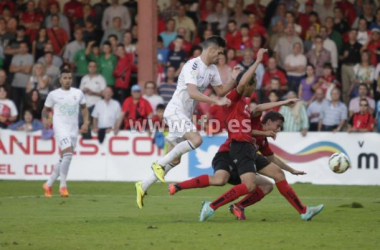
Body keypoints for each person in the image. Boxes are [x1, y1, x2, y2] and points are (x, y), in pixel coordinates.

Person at [135, 36, 239, 209]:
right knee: (197, 140)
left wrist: (233, 80)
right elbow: (192, 92)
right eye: (219, 53)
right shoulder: (192, 65)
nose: (221, 57)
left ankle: (143, 185)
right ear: (211, 50)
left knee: (175, 161)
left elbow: (220, 91)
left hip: (184, 116)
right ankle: (158, 164)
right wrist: (215, 102)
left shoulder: (212, 69)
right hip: (175, 111)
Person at [170, 109, 323, 221]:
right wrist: (282, 103)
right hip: (227, 155)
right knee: (220, 180)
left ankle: (240, 206)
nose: (278, 129)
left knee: (269, 183)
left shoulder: (263, 141)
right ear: (268, 122)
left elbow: (272, 159)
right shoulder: (252, 123)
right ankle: (179, 187)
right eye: (277, 125)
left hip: (247, 159)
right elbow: (256, 111)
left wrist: (292, 170)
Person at [198, 48, 267, 221]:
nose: (255, 87)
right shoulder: (234, 97)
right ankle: (212, 205)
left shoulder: (244, 102)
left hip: (246, 146)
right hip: (239, 147)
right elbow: (242, 84)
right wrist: (257, 61)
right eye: (254, 84)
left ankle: (236, 206)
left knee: (267, 184)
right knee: (248, 185)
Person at [42, 69, 89, 198]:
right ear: (60, 80)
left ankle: (48, 183)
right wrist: (45, 119)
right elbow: (45, 110)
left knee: (64, 158)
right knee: (68, 155)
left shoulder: (78, 93)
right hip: (60, 128)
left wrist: (86, 122)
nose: (67, 80)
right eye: (65, 78)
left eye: (69, 78)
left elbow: (84, 109)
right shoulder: (53, 94)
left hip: (73, 130)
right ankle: (63, 186)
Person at [340, 29, 362, 105]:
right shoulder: (344, 45)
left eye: (355, 34)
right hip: (345, 66)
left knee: (355, 87)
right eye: (352, 33)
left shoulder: (359, 46)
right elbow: (339, 58)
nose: (353, 35)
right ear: (349, 34)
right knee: (345, 89)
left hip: (355, 67)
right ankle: (346, 107)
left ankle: (355, 107)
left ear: (357, 36)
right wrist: (344, 56)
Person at [9, 42, 33, 111]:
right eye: (20, 47)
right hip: (15, 84)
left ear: (27, 48)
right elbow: (11, 69)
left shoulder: (30, 57)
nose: (22, 49)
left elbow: (27, 70)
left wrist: (16, 68)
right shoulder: (15, 56)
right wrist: (23, 68)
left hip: (26, 85)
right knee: (15, 104)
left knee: (26, 104)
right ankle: (16, 121)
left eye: (24, 47)